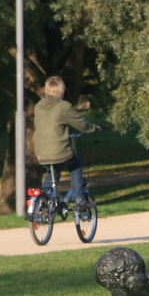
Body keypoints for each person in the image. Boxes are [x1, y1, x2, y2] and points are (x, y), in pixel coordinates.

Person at [32, 76, 100, 211]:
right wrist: (94, 128)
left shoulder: (38, 106)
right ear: (62, 92)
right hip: (59, 150)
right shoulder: (64, 107)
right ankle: (80, 200)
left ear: (46, 91)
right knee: (75, 165)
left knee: (53, 171)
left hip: (40, 151)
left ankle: (44, 197)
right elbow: (82, 124)